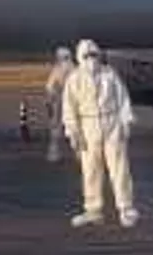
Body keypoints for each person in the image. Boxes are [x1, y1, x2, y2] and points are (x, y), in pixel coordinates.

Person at [63, 38, 138, 228]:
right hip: (88, 125)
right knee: (90, 170)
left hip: (111, 123)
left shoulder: (109, 74)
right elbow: (69, 108)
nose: (91, 59)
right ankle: (93, 210)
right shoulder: (74, 79)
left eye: (93, 55)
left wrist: (125, 121)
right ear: (80, 57)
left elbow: (122, 99)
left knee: (119, 168)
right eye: (86, 55)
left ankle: (126, 207)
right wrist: (73, 132)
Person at [43, 45, 74, 162]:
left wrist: (49, 101)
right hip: (72, 101)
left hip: (60, 101)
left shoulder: (58, 70)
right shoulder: (76, 69)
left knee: (56, 128)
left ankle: (54, 154)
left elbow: (50, 87)